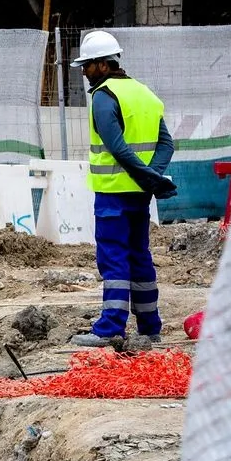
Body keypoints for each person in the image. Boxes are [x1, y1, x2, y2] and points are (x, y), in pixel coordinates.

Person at [69, 31, 177, 347]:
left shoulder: (104, 96)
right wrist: (152, 179)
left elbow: (117, 148)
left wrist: (148, 178)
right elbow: (166, 144)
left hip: (113, 194)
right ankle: (149, 327)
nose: (84, 72)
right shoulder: (145, 94)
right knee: (139, 255)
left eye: (87, 65)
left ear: (103, 64)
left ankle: (110, 328)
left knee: (114, 257)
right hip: (139, 195)